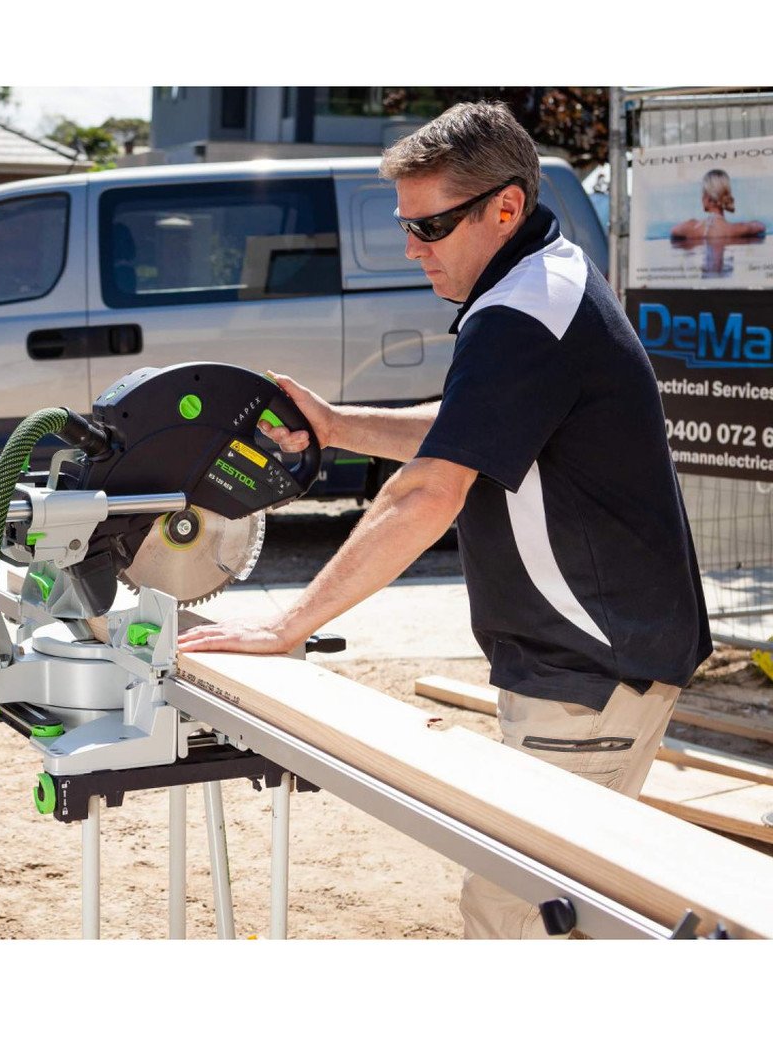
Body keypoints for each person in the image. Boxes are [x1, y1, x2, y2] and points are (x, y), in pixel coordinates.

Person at [177, 101, 713, 940]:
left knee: (519, 918)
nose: (411, 248)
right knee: (548, 913)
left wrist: (287, 624)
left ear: (504, 205)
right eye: (406, 225)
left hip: (590, 669)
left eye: (429, 227)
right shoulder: (545, 278)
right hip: (591, 657)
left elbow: (428, 492)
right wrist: (338, 424)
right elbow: (477, 428)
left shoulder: (521, 312)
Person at [669, 168, 765, 242]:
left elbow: (673, 231)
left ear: (707, 198)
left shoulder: (690, 228)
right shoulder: (738, 229)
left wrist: (691, 222)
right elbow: (761, 226)